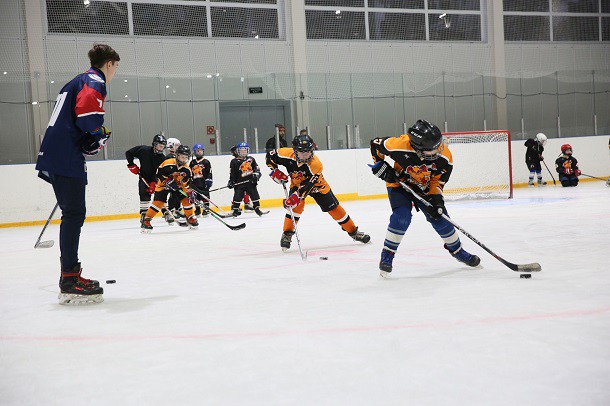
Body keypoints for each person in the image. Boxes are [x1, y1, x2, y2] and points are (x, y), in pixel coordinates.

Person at [35, 43, 120, 304]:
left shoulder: (75, 80)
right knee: (73, 214)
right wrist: (96, 135)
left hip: (59, 152)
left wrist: (90, 138)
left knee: (73, 213)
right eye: (116, 67)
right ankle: (70, 278)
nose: (115, 72)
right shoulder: (95, 80)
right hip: (64, 155)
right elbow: (86, 115)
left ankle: (70, 273)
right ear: (109, 64)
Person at [369, 119, 480, 278]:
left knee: (441, 219)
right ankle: (387, 255)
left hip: (425, 189)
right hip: (399, 183)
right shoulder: (399, 145)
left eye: (438, 147)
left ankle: (458, 252)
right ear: (417, 148)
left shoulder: (445, 157)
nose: (437, 151)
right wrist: (379, 165)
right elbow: (375, 144)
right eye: (431, 151)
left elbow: (438, 180)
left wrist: (437, 199)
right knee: (401, 217)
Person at [266, 134, 370, 251]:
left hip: (318, 186)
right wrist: (274, 171)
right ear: (295, 151)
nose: (306, 155)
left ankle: (354, 232)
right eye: (302, 152)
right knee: (295, 208)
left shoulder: (315, 165)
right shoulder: (285, 154)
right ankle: (287, 234)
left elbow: (307, 187)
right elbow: (269, 157)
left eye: (309, 151)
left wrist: (295, 198)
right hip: (296, 183)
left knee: (334, 209)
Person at [141, 145, 199, 232]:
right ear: (177, 155)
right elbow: (158, 174)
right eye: (182, 157)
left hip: (177, 187)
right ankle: (146, 220)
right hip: (163, 186)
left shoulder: (187, 169)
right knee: (158, 203)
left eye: (185, 158)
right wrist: (166, 181)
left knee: (187, 199)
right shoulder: (167, 163)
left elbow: (186, 184)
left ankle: (190, 217)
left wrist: (189, 192)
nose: (183, 159)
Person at [125, 134, 167, 221]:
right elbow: (129, 153)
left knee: (160, 195)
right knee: (144, 195)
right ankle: (144, 214)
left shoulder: (162, 158)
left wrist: (154, 182)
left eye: (162, 146)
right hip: (143, 177)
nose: (161, 148)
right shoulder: (144, 150)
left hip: (156, 180)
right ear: (154, 144)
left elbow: (161, 173)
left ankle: (166, 212)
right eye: (159, 146)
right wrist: (131, 164)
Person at [227, 142, 265, 217]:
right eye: (241, 150)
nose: (243, 152)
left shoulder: (251, 159)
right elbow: (232, 174)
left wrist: (255, 176)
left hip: (250, 183)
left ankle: (257, 208)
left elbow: (257, 170)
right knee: (237, 196)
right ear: (237, 151)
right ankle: (235, 209)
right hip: (239, 184)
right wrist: (231, 181)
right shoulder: (234, 161)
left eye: (245, 150)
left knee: (254, 195)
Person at [189, 143, 213, 215]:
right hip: (195, 183)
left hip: (204, 183)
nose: (199, 152)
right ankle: (197, 209)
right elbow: (190, 172)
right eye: (197, 151)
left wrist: (209, 180)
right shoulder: (192, 162)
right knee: (196, 197)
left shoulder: (206, 162)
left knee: (205, 196)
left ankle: (206, 209)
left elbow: (209, 172)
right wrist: (190, 181)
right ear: (194, 152)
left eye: (201, 150)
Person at [230, 144, 254, 212]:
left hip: (245, 176)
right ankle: (235, 206)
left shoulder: (245, 159)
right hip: (239, 178)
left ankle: (246, 204)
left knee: (246, 189)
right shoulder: (235, 161)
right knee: (238, 192)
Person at [164, 137, 183, 224]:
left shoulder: (178, 156)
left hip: (178, 180)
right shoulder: (168, 157)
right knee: (173, 195)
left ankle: (178, 209)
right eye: (177, 145)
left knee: (178, 194)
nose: (178, 147)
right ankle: (171, 210)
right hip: (171, 180)